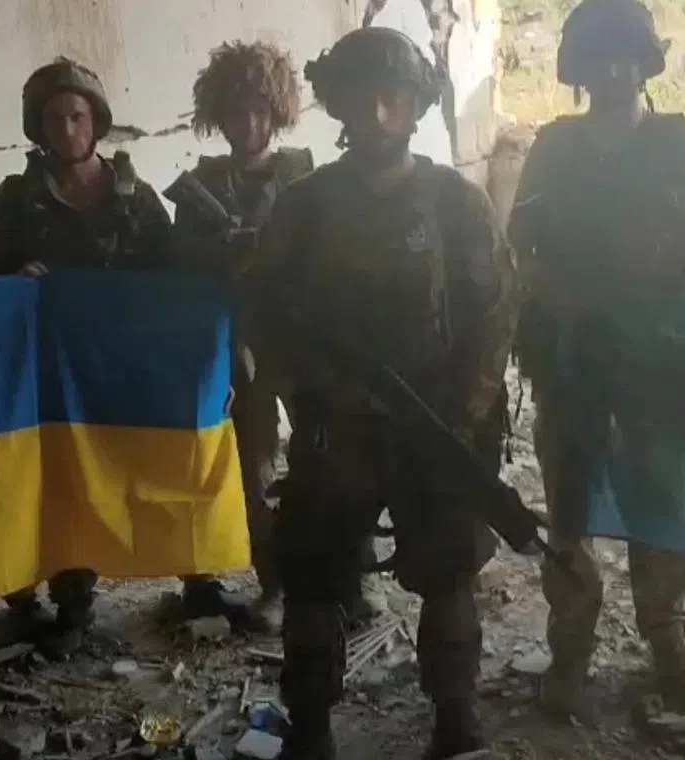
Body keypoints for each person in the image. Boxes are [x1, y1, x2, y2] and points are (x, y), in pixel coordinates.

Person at [242, 26, 518, 759]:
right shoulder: (306, 206)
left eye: (392, 96)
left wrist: (461, 414)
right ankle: (312, 727)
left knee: (449, 570)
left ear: (417, 103)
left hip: (433, 421)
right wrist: (316, 391)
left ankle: (454, 720)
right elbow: (265, 312)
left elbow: (494, 315)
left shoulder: (456, 201)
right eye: (361, 97)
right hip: (339, 428)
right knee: (314, 575)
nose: (377, 112)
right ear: (338, 105)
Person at [508, 0, 685, 719]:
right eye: (599, 56)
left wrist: (678, 315)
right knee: (570, 506)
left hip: (656, 361)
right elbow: (522, 246)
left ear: (645, 62)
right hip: (573, 359)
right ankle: (571, 646)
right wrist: (564, 303)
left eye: (624, 55)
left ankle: (668, 641)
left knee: (660, 501)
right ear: (578, 67)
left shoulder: (678, 142)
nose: (612, 69)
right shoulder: (554, 146)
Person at [170, 40, 386, 633]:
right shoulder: (201, 187)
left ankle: (352, 579)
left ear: (278, 112)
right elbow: (181, 268)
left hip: (309, 339)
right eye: (236, 113)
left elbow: (338, 249)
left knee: (338, 458)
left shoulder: (305, 174)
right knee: (256, 469)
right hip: (240, 345)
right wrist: (225, 252)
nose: (249, 125)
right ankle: (277, 585)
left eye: (260, 112)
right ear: (219, 116)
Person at [0, 58, 172, 658]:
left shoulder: (135, 199)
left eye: (77, 116)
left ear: (97, 121)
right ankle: (72, 602)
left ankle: (196, 579)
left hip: (118, 365)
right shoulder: (15, 199)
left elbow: (174, 280)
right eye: (53, 118)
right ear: (39, 126)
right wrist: (15, 278)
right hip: (46, 373)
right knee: (58, 483)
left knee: (134, 474)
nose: (66, 129)